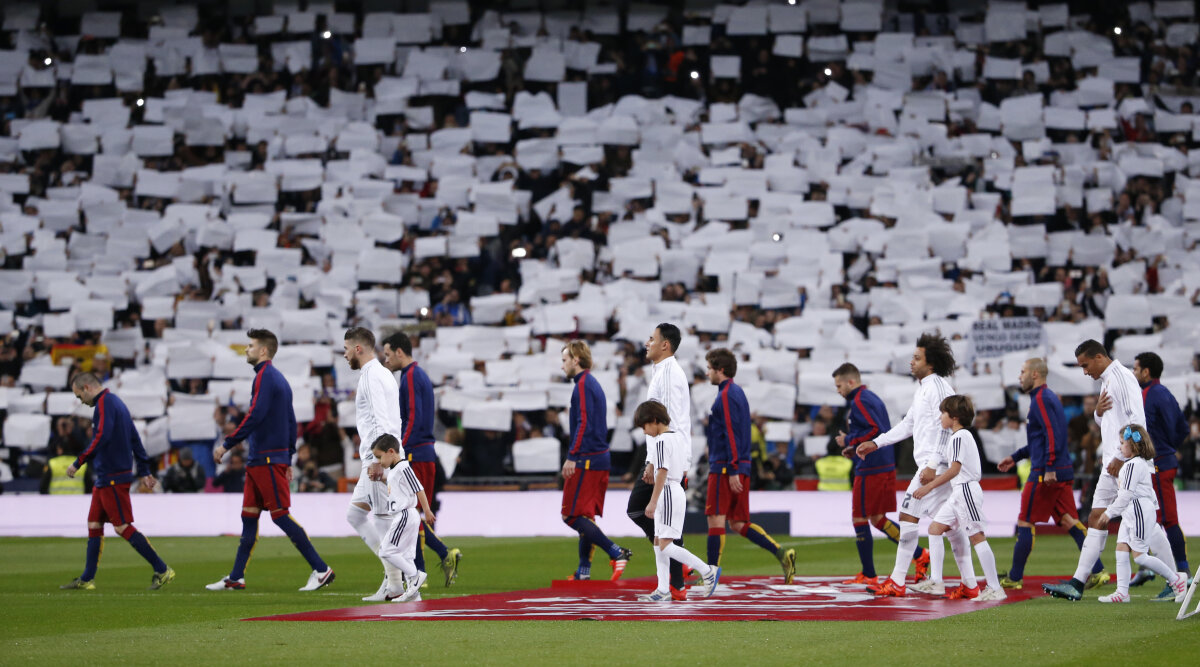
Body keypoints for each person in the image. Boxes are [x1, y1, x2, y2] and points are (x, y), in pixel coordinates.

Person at [207, 329, 334, 592]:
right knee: (248, 517)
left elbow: (255, 415)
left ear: (263, 350)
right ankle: (236, 577)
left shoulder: (265, 377)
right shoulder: (276, 379)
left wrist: (227, 444)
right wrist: (289, 456)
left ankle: (321, 569)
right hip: (260, 460)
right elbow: (291, 420)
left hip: (267, 459)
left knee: (280, 515)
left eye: (251, 345)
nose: (246, 349)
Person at [856, 333, 962, 597]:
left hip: (936, 466)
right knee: (951, 526)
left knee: (907, 515)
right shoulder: (924, 388)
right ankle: (968, 583)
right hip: (934, 465)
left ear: (931, 363)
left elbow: (948, 427)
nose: (911, 362)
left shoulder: (938, 388)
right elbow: (908, 425)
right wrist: (876, 442)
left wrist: (932, 464)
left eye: (917, 358)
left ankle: (897, 581)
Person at [1044, 340, 1147, 600]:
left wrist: (1122, 458)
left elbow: (1137, 421)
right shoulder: (1107, 381)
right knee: (1095, 518)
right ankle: (1077, 583)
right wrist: (1097, 414)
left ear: (1099, 357)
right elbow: (1110, 420)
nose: (1084, 371)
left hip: (1126, 464)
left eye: (1085, 365)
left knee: (1146, 525)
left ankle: (1178, 577)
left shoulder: (1121, 378)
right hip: (1113, 463)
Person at [60, 373, 174, 591]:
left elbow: (101, 436)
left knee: (122, 526)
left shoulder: (105, 404)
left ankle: (162, 569)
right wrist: (144, 470)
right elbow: (134, 438)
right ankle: (87, 578)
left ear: (86, 387)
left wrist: (79, 461)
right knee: (94, 524)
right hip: (106, 477)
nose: (80, 401)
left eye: (79, 396)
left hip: (113, 476)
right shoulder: (117, 403)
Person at [997, 358, 1099, 590]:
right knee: (1069, 520)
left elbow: (1052, 435)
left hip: (1045, 471)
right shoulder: (1047, 398)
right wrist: (1015, 457)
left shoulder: (1041, 399)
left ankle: (1015, 577)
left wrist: (1049, 466)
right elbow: (1042, 439)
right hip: (1058, 468)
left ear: (1034, 374)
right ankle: (1098, 569)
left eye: (1022, 371)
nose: (1019, 376)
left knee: (1025, 520)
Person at [703, 348, 795, 582]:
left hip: (725, 467)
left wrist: (732, 467)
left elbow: (731, 433)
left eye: (709, 368)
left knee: (715, 518)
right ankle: (782, 553)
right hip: (740, 465)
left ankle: (710, 574)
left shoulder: (725, 395)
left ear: (720, 370)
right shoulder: (738, 392)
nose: (707, 373)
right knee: (738, 523)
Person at [832, 363, 928, 586]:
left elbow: (875, 429)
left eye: (839, 386)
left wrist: (848, 439)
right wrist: (855, 447)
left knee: (860, 517)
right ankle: (920, 554)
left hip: (872, 467)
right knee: (877, 519)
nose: (838, 391)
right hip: (880, 463)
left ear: (851, 382)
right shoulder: (869, 398)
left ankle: (869, 573)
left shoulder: (860, 401)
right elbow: (875, 430)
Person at [381, 331, 462, 587]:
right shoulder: (418, 375)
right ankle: (437, 559)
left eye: (388, 354)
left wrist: (400, 448)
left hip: (416, 451)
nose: (386, 360)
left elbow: (413, 416)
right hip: (424, 451)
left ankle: (420, 571)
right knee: (411, 513)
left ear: (399, 352)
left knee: (410, 514)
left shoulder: (411, 376)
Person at [918, 395, 1005, 602]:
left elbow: (955, 469)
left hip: (965, 490)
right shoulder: (961, 436)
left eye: (943, 413)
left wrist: (929, 485)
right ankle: (936, 581)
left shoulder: (959, 437)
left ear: (955, 417)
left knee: (977, 536)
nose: (940, 417)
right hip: (959, 491)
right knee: (935, 528)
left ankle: (995, 587)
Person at [626, 323, 690, 599]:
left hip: (665, 456)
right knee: (656, 516)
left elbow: (667, 421)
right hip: (665, 454)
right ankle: (677, 577)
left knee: (638, 510)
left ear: (665, 344)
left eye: (651, 339)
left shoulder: (668, 374)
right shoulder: (664, 371)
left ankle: (679, 563)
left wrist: (654, 461)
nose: (647, 343)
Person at [558, 340, 631, 581]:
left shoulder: (582, 385)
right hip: (599, 458)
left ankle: (616, 552)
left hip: (587, 459)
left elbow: (583, 423)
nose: (562, 366)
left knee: (571, 515)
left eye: (565, 360)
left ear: (576, 360)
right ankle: (583, 571)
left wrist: (572, 456)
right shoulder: (592, 383)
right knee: (585, 517)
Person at [633, 400, 720, 602]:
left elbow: (662, 472)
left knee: (665, 544)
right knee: (658, 540)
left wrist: (653, 501)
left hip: (668, 491)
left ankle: (707, 571)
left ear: (654, 420)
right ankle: (663, 589)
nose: (645, 431)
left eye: (645, 426)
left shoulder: (662, 441)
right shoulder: (677, 437)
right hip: (673, 489)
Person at [344, 326, 407, 602]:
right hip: (380, 456)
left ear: (358, 348)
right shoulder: (384, 374)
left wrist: (380, 460)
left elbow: (381, 420)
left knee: (383, 519)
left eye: (346, 349)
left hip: (378, 459)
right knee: (355, 516)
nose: (345, 355)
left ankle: (397, 583)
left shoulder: (371, 376)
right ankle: (392, 578)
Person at [1094, 424, 1188, 603]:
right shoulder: (1136, 464)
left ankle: (1176, 579)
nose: (1120, 447)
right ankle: (1122, 592)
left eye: (1122, 443)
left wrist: (1108, 513)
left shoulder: (1133, 465)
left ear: (1133, 445)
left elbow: (1126, 494)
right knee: (1121, 548)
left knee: (1140, 557)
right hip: (1132, 510)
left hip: (1137, 510)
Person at [1129, 351, 1191, 600]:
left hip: (1158, 465)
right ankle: (1146, 568)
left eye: (1136, 369)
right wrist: (1168, 448)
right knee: (1148, 518)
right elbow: (1182, 428)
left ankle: (1182, 574)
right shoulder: (1161, 393)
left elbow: (1158, 430)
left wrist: (1162, 451)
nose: (1133, 373)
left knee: (1166, 519)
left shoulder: (1151, 395)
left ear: (1146, 371)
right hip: (1158, 462)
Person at [370, 434, 437, 603]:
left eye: (379, 456)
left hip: (405, 514)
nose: (379, 461)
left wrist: (427, 510)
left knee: (386, 551)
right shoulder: (396, 470)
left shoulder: (403, 468)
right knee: (407, 555)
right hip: (406, 515)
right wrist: (381, 479)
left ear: (391, 452)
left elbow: (418, 488)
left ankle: (415, 576)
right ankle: (414, 595)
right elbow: (397, 485)